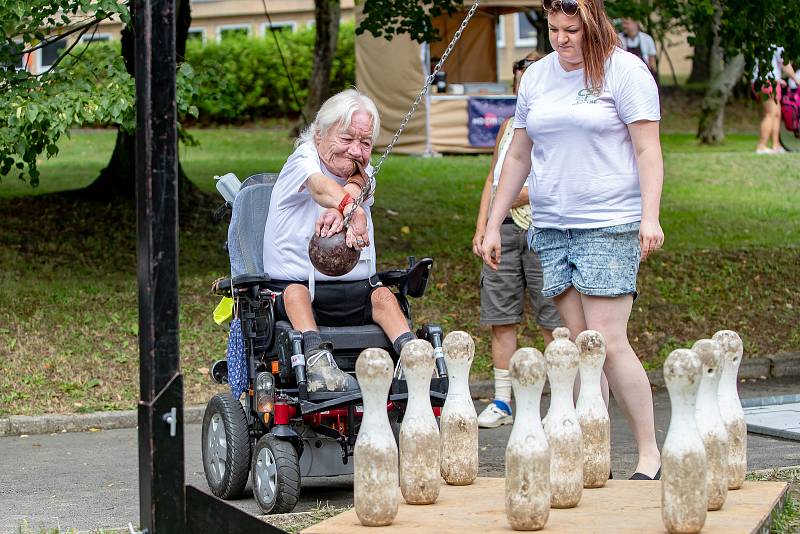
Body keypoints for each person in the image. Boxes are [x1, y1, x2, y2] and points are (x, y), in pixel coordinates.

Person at [481, 0, 663, 480]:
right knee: (583, 348)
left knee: (607, 341)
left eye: (571, 30)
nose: (561, 39)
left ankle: (650, 454)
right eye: (554, 29)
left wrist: (651, 217)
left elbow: (648, 148)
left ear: (594, 24)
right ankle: (589, 453)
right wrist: (494, 222)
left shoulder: (626, 72)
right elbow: (518, 154)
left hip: (609, 221)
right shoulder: (538, 77)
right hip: (552, 225)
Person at [262, 89, 416, 392]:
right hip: (298, 290)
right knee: (295, 293)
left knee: (385, 297)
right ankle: (317, 360)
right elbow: (320, 188)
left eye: (365, 142)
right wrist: (350, 209)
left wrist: (350, 201)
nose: (356, 151)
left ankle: (413, 357)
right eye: (346, 140)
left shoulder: (361, 167)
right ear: (319, 135)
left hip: (358, 290)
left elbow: (363, 181)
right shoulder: (302, 159)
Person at [472, 51, 562, 429]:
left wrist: (518, 194)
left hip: (544, 228)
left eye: (529, 82)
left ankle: (560, 401)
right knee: (500, 316)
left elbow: (562, 181)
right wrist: (482, 226)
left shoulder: (557, 122)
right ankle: (502, 402)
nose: (522, 89)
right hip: (505, 227)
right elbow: (494, 179)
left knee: (552, 318)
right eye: (517, 84)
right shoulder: (509, 124)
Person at [753, 46, 799, 154]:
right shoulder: (776, 45)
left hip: (768, 81)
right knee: (770, 113)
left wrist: (778, 80)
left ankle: (776, 145)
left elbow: (767, 66)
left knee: (777, 114)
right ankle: (761, 146)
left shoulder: (763, 44)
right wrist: (795, 79)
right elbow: (785, 65)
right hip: (767, 81)